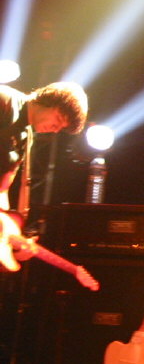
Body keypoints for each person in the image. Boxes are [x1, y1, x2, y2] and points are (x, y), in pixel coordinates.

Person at [0, 82, 88, 270]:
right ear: (49, 100)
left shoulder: (26, 138)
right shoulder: (5, 101)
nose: (55, 129)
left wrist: (8, 234)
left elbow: (2, 189)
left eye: (61, 128)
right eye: (58, 119)